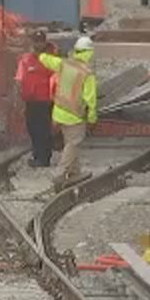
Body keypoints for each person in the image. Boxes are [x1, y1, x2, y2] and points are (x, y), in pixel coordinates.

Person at [38, 35, 98, 186]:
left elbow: (45, 59)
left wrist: (42, 51)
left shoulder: (64, 64)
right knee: (73, 143)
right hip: (74, 115)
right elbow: (91, 99)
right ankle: (60, 173)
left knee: (69, 142)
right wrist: (92, 119)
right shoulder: (87, 73)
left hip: (58, 112)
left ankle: (75, 172)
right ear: (89, 52)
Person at [16, 32, 55, 167]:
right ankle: (37, 155)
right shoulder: (26, 59)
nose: (37, 44)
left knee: (43, 129)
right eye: (35, 41)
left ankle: (44, 158)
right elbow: (19, 78)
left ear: (44, 42)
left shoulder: (51, 58)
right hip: (30, 100)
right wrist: (18, 95)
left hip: (45, 100)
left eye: (40, 41)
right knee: (32, 128)